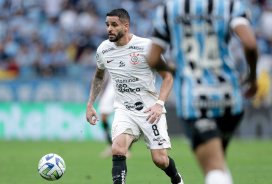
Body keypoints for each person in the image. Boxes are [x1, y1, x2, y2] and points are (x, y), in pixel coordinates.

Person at [147, 1, 258, 184]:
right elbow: (250, 44)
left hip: (195, 101)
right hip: (229, 99)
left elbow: (153, 58)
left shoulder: (169, 10)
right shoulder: (229, 5)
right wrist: (252, 76)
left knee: (213, 169)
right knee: (218, 161)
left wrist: (174, 69)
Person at [86, 8, 184, 184]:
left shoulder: (146, 47)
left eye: (114, 25)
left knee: (160, 160)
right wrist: (90, 104)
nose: (109, 29)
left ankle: (176, 178)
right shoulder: (103, 49)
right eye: (107, 25)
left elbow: (168, 77)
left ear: (126, 26)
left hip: (150, 111)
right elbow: (99, 76)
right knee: (117, 148)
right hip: (124, 109)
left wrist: (159, 104)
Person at [98, 75, 132, 158]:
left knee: (126, 117)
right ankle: (110, 145)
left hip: (124, 85)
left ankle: (127, 149)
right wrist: (104, 90)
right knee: (103, 117)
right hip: (111, 87)